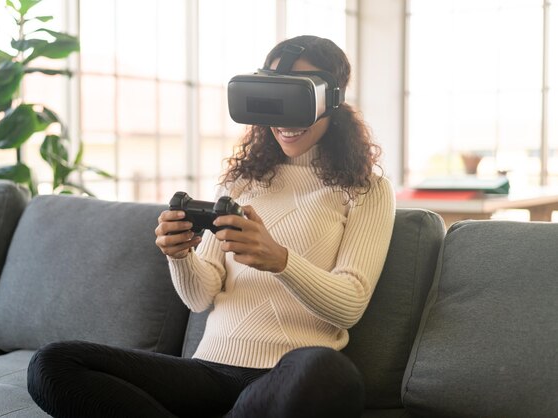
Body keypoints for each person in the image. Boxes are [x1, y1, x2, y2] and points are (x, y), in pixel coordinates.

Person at [27, 35, 395, 418]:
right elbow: (200, 297)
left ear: (331, 100)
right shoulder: (243, 182)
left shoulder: (366, 191)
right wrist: (180, 254)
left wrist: (280, 260)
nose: (283, 123)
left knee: (330, 372)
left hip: (287, 378)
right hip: (208, 373)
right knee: (52, 364)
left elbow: (350, 304)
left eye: (296, 101)